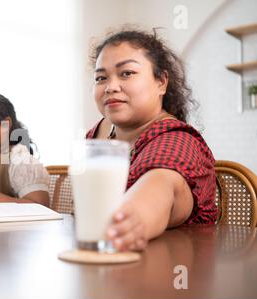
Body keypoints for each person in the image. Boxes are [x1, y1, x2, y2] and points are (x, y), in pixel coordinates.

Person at [86, 29, 217, 252]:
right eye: (101, 78)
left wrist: (132, 218)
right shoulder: (96, 134)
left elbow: (164, 184)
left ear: (161, 82)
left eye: (126, 73)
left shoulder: (177, 140)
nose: (111, 86)